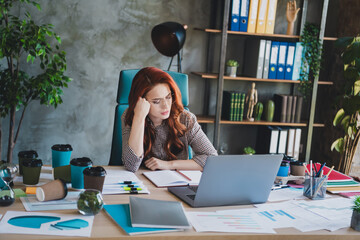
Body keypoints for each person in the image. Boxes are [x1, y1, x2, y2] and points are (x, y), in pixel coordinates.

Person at [122, 67, 218, 172]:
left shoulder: (186, 119)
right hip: (142, 182)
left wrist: (169, 165)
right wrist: (139, 118)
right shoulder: (131, 116)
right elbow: (131, 166)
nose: (166, 106)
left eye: (168, 97)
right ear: (141, 101)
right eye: (156, 101)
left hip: (177, 182)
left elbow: (211, 158)